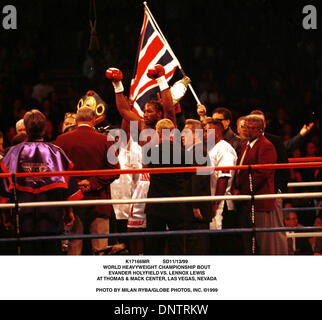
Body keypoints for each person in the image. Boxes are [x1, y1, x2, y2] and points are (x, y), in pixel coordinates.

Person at [0, 109, 82, 255]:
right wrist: (69, 212)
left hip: (24, 217)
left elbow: (5, 189)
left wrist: (6, 216)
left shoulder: (13, 152)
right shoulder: (56, 152)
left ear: (26, 128)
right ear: (45, 129)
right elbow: (67, 186)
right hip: (51, 217)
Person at [55, 107, 120, 255]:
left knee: (74, 249)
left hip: (72, 202)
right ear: (93, 120)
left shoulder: (61, 140)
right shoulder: (105, 140)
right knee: (100, 250)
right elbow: (116, 170)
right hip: (99, 201)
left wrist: (75, 186)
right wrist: (92, 183)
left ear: (77, 121)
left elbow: (57, 171)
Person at [233, 114, 286, 255]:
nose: (247, 131)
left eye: (251, 128)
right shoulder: (245, 145)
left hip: (259, 201)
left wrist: (243, 191)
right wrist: (236, 188)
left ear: (260, 130)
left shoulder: (266, 146)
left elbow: (262, 174)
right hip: (247, 200)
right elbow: (240, 171)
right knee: (249, 241)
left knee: (262, 241)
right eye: (245, 127)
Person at [144, 118, 189, 255]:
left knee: (154, 246)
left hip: (156, 203)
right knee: (178, 245)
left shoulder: (150, 152)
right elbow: (187, 176)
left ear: (157, 133)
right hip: (176, 203)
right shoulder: (183, 152)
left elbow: (147, 170)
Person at [204, 119, 242, 254]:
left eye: (206, 131)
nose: (204, 134)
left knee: (221, 245)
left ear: (216, 132)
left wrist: (216, 202)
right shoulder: (211, 148)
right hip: (212, 201)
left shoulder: (225, 149)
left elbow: (224, 177)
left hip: (222, 204)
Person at [181, 119, 213, 255]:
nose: (182, 135)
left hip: (197, 209)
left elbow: (197, 180)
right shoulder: (193, 151)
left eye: (186, 132)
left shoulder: (199, 151)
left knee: (197, 247)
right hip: (193, 208)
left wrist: (195, 206)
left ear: (197, 135)